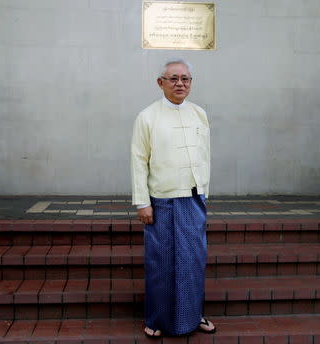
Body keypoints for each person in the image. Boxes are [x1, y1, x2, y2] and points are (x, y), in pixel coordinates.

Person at [131, 58, 215, 337]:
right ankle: (156, 320)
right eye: (174, 78)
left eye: (186, 79)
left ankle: (194, 315)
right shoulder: (147, 117)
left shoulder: (199, 114)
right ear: (161, 83)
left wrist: (205, 191)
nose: (180, 83)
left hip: (193, 199)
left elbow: (205, 157)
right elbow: (138, 161)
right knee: (161, 261)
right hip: (162, 201)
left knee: (193, 260)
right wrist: (142, 202)